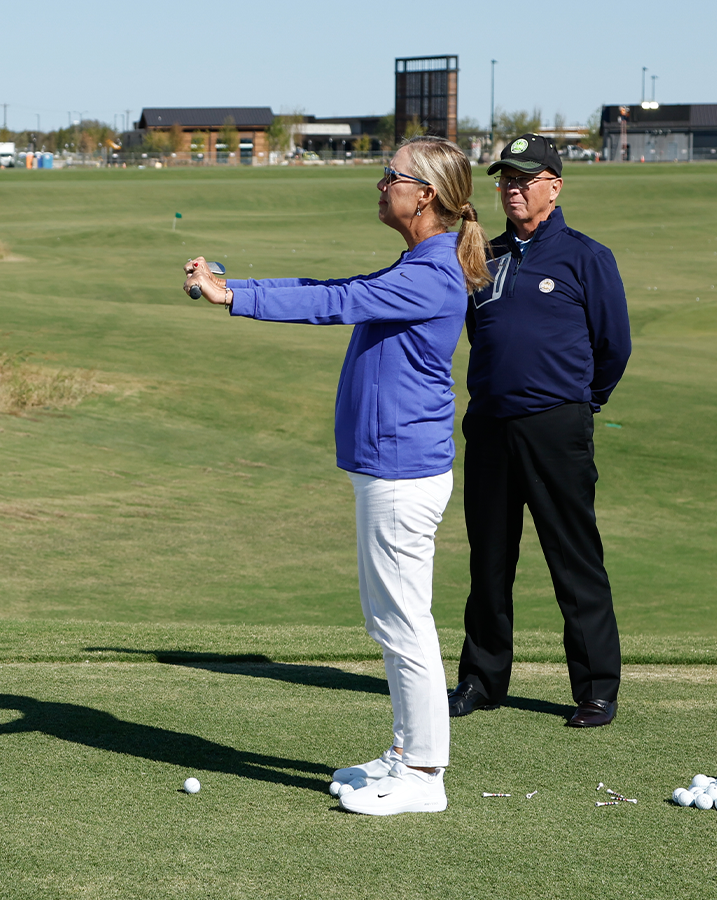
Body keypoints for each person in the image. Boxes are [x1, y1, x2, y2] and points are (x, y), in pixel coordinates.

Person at [184, 136, 488, 816]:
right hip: (389, 467)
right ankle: (408, 752)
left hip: (401, 471)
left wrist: (233, 296)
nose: (381, 184)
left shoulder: (432, 272)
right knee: (390, 619)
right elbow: (331, 289)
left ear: (426, 196)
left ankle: (425, 775)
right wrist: (235, 291)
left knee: (404, 621)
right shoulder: (419, 263)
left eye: (393, 176)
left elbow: (334, 301)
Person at [446, 134, 631, 728]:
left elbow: (613, 348)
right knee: (490, 560)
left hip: (556, 426)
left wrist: (578, 403)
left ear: (555, 185)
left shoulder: (586, 256)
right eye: (505, 179)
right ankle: (481, 679)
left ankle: (596, 689)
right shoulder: (482, 253)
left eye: (526, 179)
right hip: (492, 426)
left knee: (573, 559)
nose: (514, 189)